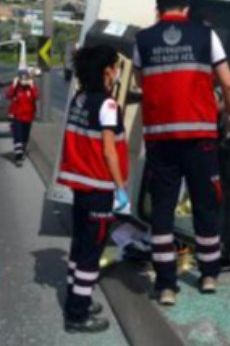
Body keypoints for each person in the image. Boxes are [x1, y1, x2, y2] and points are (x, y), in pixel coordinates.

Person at [133, 0, 230, 304]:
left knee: (162, 210)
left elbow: (141, 83)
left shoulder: (142, 40)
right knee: (205, 205)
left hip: (160, 139)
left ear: (158, 10)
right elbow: (228, 83)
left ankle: (166, 285)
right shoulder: (206, 35)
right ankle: (208, 275)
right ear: (186, 9)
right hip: (200, 137)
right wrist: (229, 113)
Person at [57, 44, 129, 333]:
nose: (117, 71)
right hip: (99, 187)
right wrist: (121, 188)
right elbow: (109, 151)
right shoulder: (107, 105)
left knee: (80, 246)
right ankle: (77, 315)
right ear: (106, 71)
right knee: (90, 252)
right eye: (115, 66)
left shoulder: (80, 98)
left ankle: (78, 297)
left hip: (81, 185)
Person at [6, 68, 39, 167]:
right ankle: (18, 157)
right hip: (17, 116)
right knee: (18, 137)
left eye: (25, 78)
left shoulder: (31, 88)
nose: (24, 81)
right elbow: (8, 95)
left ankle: (22, 150)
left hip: (28, 117)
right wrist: (14, 84)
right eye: (22, 78)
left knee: (25, 137)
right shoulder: (16, 88)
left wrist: (32, 86)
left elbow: (36, 96)